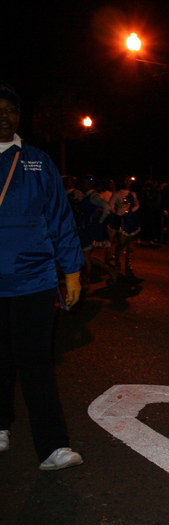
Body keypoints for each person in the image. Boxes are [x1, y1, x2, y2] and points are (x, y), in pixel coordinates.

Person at [0, 83, 84, 470]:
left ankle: (53, 446)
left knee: (35, 360)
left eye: (12, 109)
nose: (5, 115)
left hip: (33, 279)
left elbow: (60, 218)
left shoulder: (37, 161)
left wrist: (71, 271)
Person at [108, 176, 140, 277]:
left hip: (130, 219)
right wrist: (117, 213)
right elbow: (110, 206)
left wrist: (131, 212)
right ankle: (117, 258)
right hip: (121, 220)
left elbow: (137, 205)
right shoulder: (117, 194)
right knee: (121, 242)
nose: (127, 183)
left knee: (130, 241)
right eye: (125, 181)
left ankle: (128, 263)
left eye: (128, 181)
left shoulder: (132, 194)